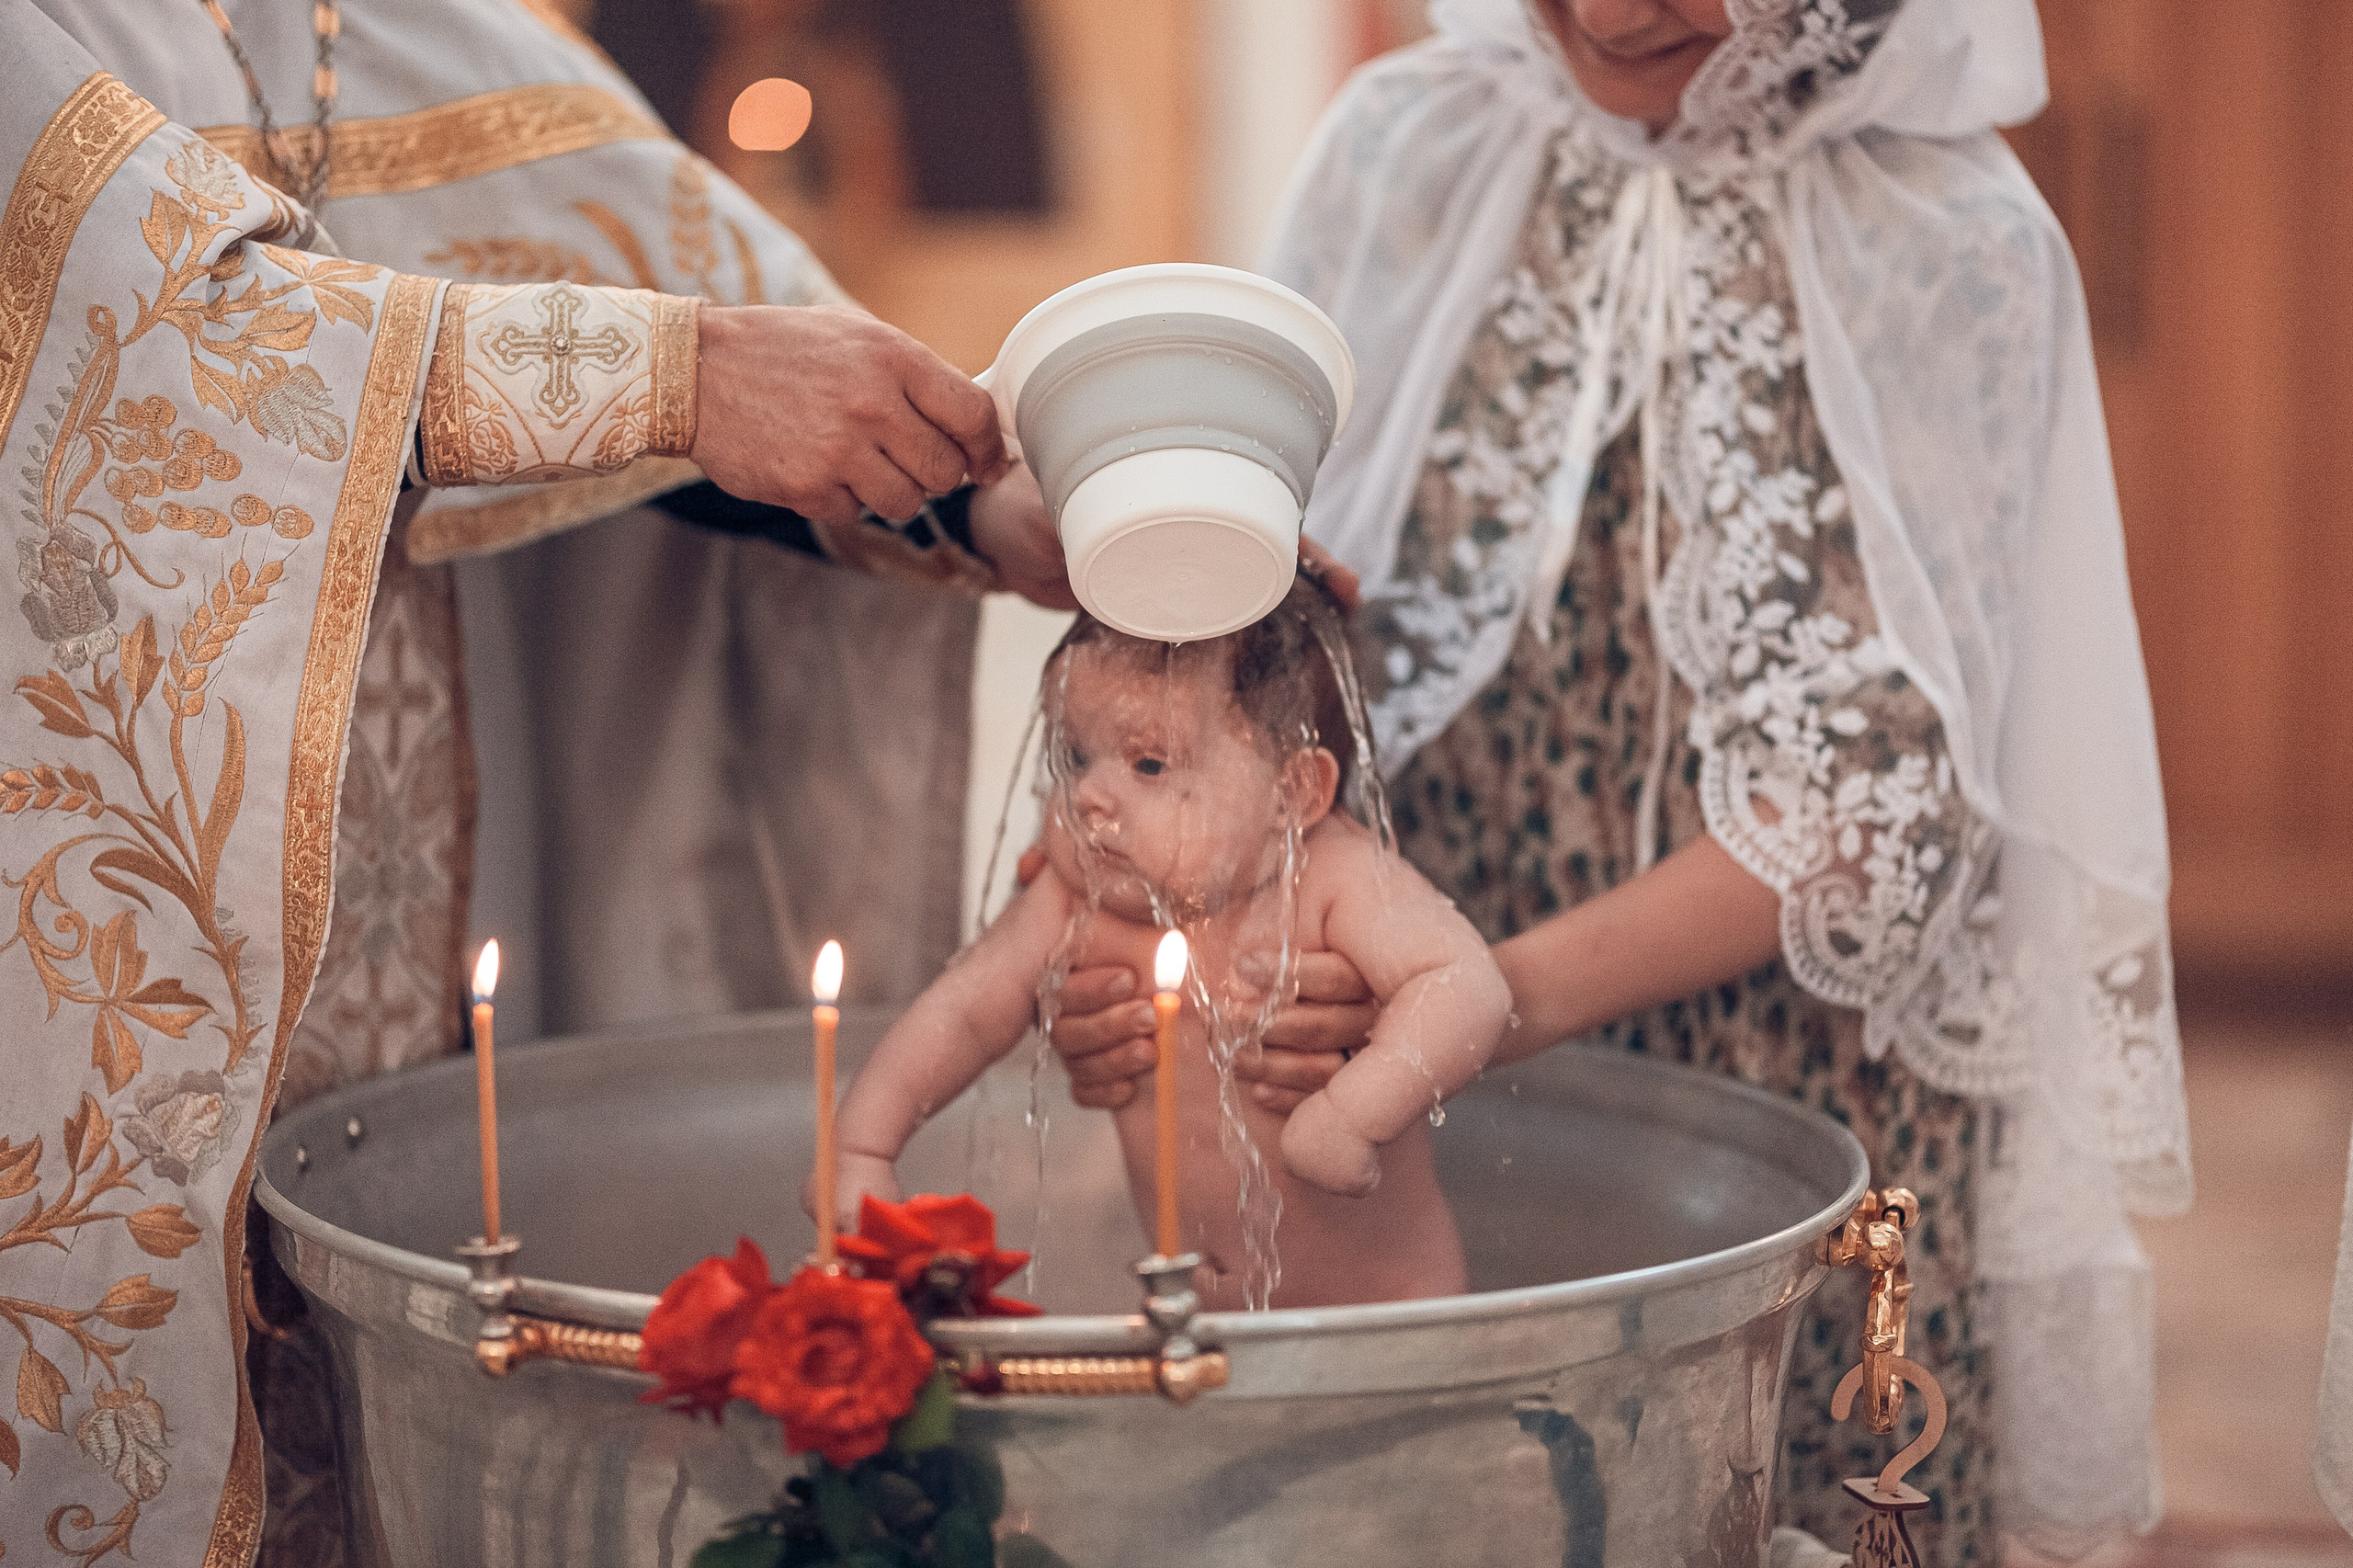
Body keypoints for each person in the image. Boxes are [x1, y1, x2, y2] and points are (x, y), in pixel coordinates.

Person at [1043, 0, 2193, 1562]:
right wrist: (1147, 953)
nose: (1617, 4)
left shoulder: (1949, 240)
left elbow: (1868, 812)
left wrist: (1471, 1003)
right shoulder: (1409, 149)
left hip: (1781, 1092)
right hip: (1382, 1097)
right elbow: (1235, 665)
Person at [0, 2, 1071, 1561]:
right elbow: (155, 341)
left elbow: (667, 272)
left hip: (408, 949)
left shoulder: (366, 18)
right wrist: (684, 374)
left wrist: (969, 504)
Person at [823, 579, 1509, 1311]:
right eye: (1077, 756)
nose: (1090, 798)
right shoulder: (1076, 892)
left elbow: (1465, 983)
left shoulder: (1336, 877)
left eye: (1149, 764)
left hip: (1391, 1314)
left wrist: (1352, 1116)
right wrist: (862, 1149)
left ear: (1294, 795)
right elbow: (963, 1011)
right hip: (1194, 1316)